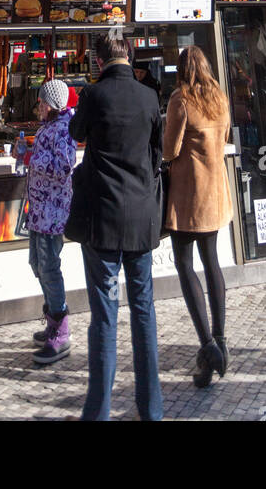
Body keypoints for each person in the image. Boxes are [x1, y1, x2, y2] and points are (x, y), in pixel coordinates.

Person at [66, 32, 163, 422]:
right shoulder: (150, 97)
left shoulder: (92, 95)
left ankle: (98, 413)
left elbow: (76, 135)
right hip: (141, 219)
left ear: (97, 60)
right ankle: (151, 409)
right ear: (129, 56)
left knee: (104, 315)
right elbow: (156, 155)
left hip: (102, 221)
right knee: (144, 311)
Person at [163, 46, 232, 388]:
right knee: (212, 263)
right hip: (215, 193)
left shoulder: (180, 99)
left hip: (188, 196)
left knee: (185, 265)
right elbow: (226, 137)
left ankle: (207, 345)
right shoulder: (219, 97)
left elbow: (170, 148)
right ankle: (221, 340)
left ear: (181, 69)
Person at [26, 78, 76, 366]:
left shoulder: (64, 129)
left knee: (49, 266)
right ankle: (51, 318)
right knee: (37, 264)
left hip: (52, 213)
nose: (40, 106)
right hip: (39, 210)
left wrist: (35, 159)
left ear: (55, 105)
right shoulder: (49, 126)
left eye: (43, 102)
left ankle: (61, 329)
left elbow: (64, 168)